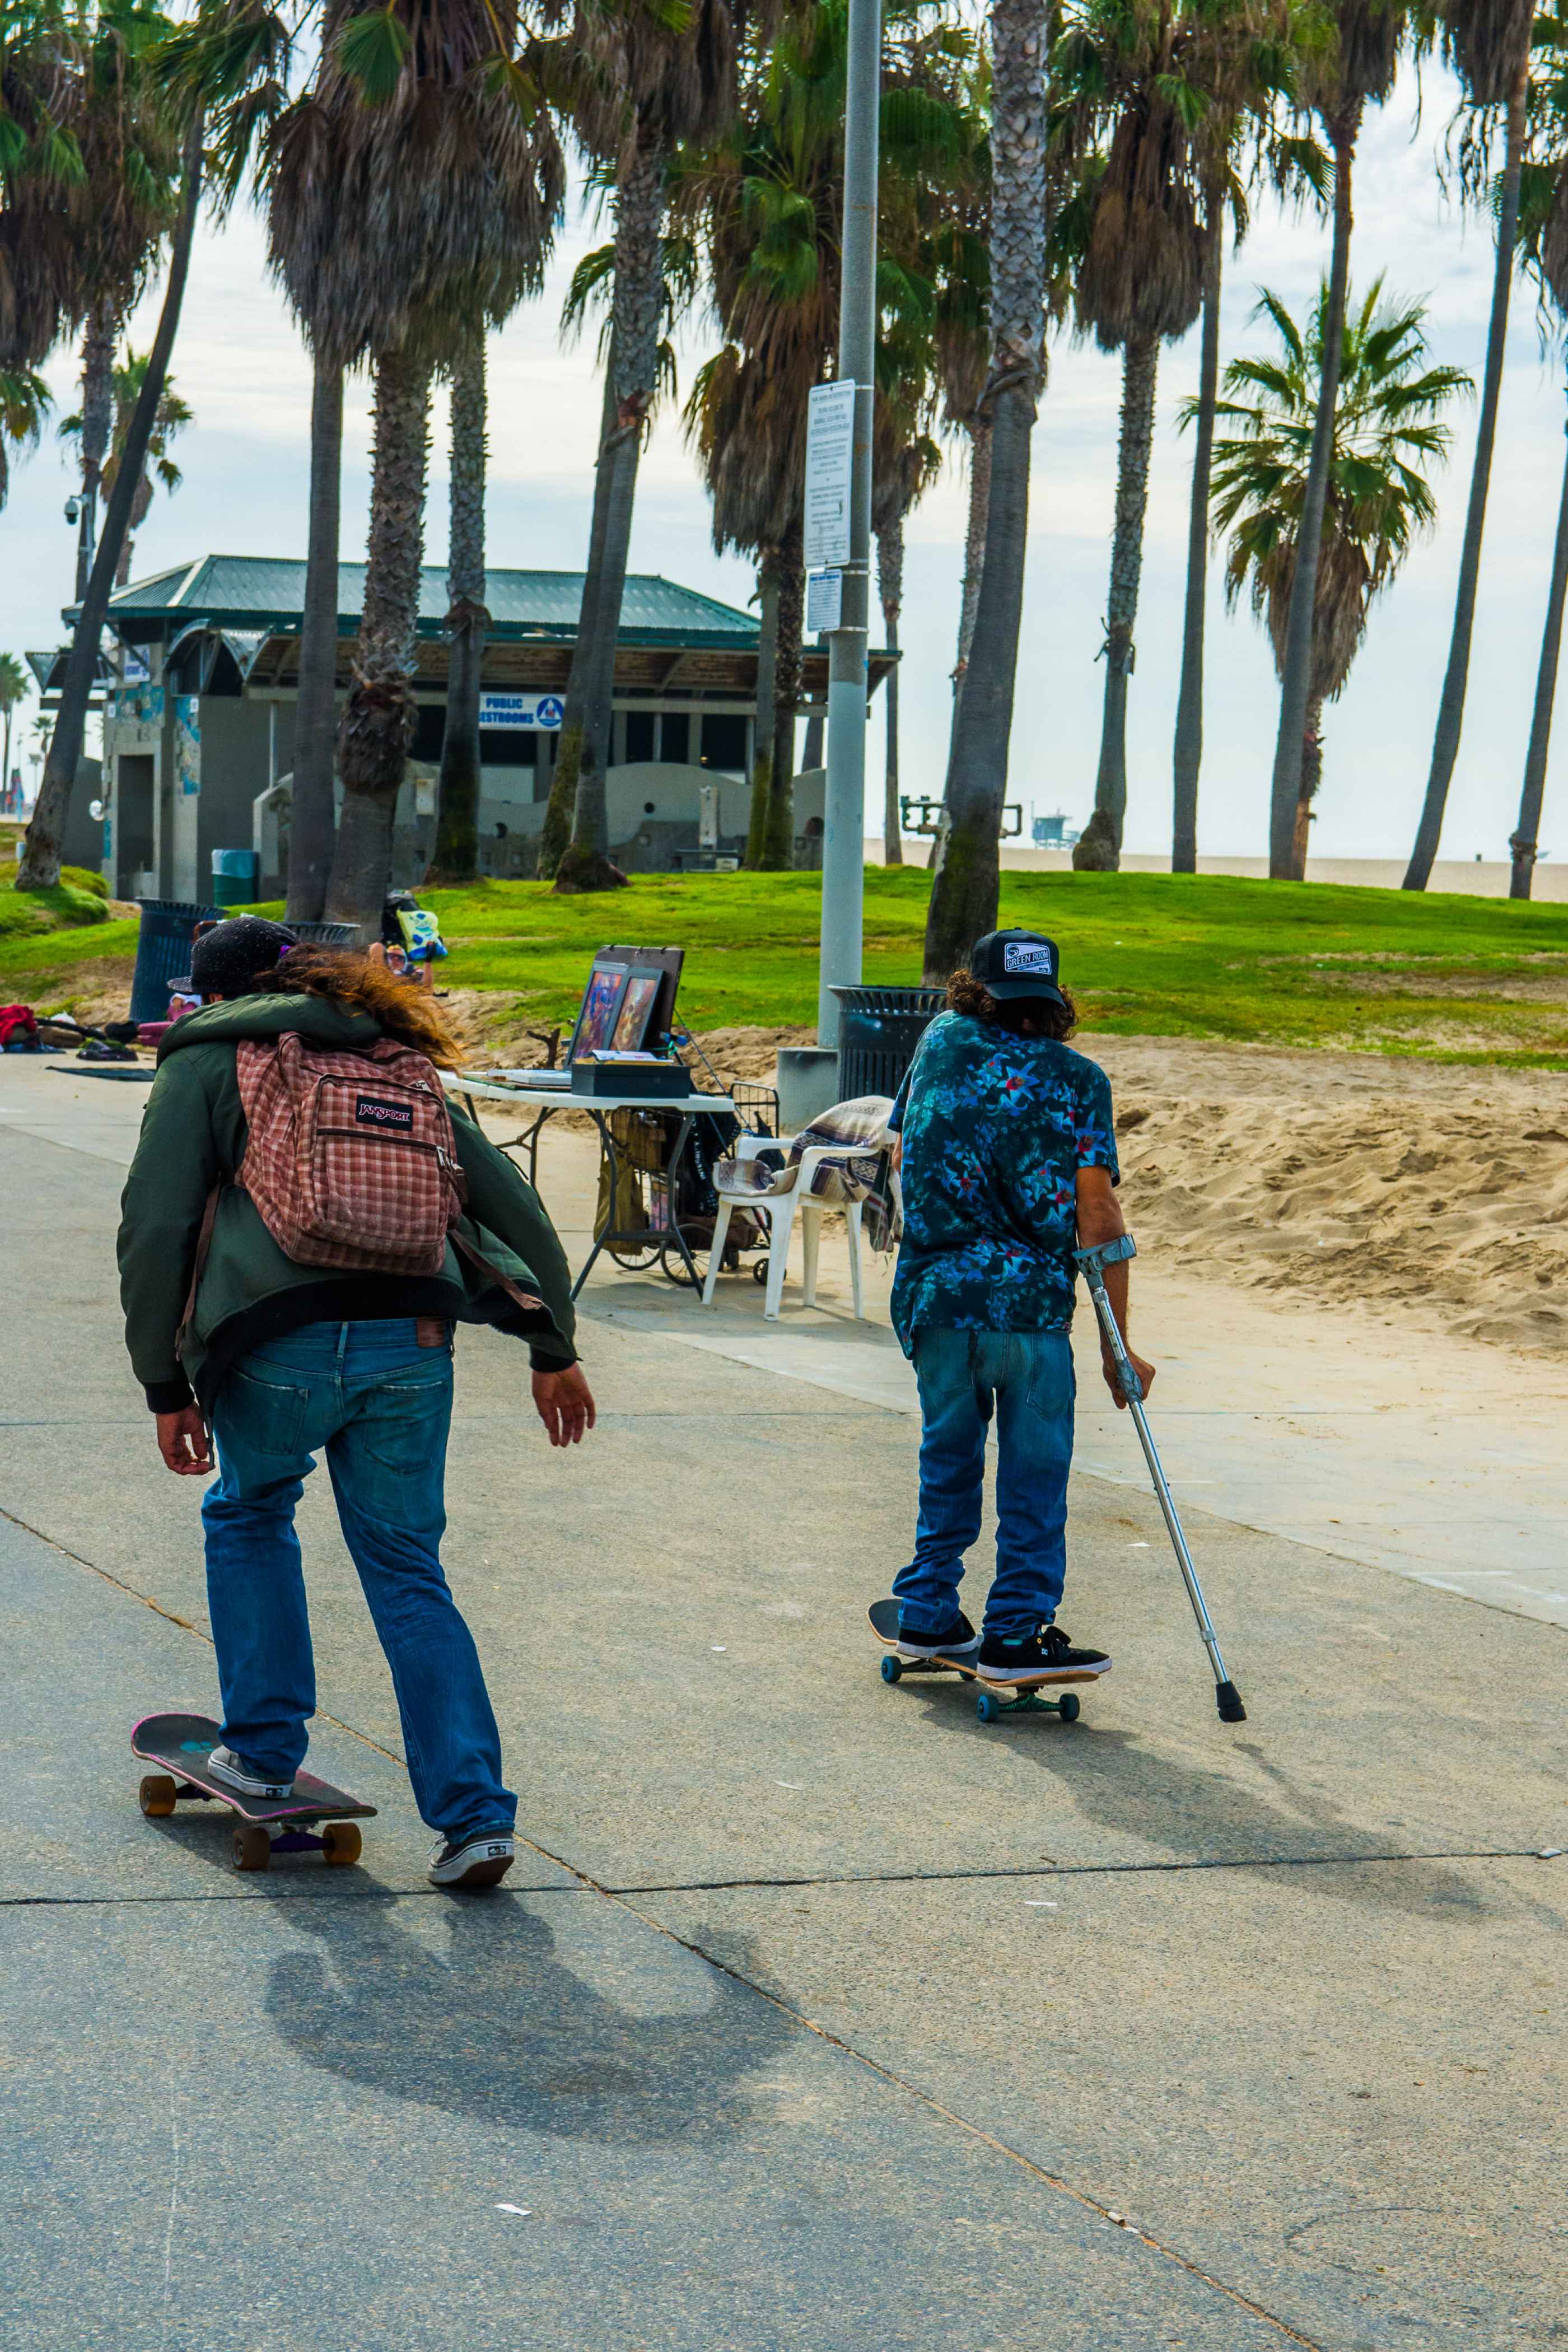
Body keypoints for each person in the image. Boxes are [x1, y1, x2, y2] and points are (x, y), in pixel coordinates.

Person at [118, 915, 595, 1891]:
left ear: (209, 997)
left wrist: (164, 1382)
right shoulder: (395, 1055)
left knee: (250, 1514)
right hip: (415, 1342)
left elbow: (156, 1224)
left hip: (277, 1345)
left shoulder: (210, 1059)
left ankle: (257, 1748)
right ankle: (476, 1818)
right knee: (409, 1571)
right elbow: (508, 1200)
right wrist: (553, 1342)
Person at [883, 927, 1154, 1683]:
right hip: (1029, 1314)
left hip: (937, 1299)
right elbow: (1098, 1220)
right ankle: (1017, 1630)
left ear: (977, 992)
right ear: (1053, 1003)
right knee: (1034, 1474)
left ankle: (928, 1612)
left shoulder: (940, 1040)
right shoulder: (1079, 1080)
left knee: (949, 1460)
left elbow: (902, 1145)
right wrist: (1116, 1347)